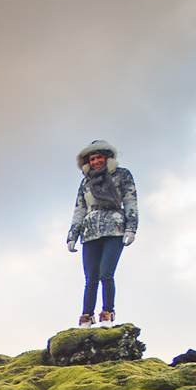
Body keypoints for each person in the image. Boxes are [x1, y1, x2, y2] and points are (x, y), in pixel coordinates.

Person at [65, 139, 138, 326]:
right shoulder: (85, 183)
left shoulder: (122, 175)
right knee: (90, 277)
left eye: (99, 157)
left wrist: (131, 228)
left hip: (114, 228)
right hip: (90, 231)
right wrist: (72, 235)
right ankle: (86, 316)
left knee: (107, 273)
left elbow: (130, 201)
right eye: (92, 158)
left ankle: (107, 313)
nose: (96, 161)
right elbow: (79, 209)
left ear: (107, 158)